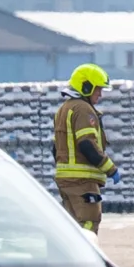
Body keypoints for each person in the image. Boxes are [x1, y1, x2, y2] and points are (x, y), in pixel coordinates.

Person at [51, 63, 113, 229]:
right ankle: (86, 256)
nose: (100, 94)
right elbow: (87, 144)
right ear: (86, 86)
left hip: (66, 181)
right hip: (83, 182)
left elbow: (55, 148)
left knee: (72, 228)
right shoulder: (83, 109)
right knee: (88, 223)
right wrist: (110, 169)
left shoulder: (63, 110)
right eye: (97, 89)